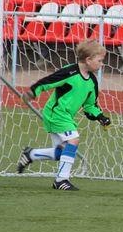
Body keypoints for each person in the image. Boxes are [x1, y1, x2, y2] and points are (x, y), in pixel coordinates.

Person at [17, 39, 111, 190]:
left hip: (65, 116)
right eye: (99, 61)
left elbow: (89, 106)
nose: (101, 64)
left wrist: (100, 117)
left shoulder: (92, 81)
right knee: (74, 140)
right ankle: (61, 180)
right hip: (56, 113)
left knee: (62, 152)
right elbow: (48, 81)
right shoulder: (70, 72)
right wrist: (33, 91)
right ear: (88, 60)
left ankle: (31, 154)